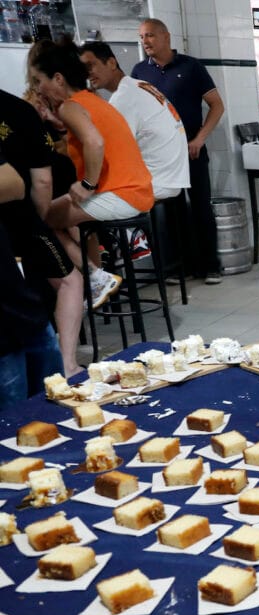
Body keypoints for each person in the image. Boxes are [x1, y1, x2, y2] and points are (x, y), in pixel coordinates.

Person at [30, 42, 154, 376]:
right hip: (138, 190)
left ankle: (95, 276)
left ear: (58, 78)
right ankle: (94, 274)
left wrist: (86, 184)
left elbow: (95, 143)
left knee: (42, 216)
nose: (38, 88)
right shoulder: (90, 101)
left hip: (122, 193)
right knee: (61, 211)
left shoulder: (72, 105)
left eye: (39, 80)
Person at [133, 18, 225, 285]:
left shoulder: (191, 66)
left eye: (149, 35)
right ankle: (178, 267)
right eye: (141, 37)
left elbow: (216, 105)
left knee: (200, 208)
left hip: (193, 151)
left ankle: (210, 266)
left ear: (165, 36)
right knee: (171, 212)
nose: (145, 42)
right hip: (162, 157)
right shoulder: (140, 72)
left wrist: (199, 139)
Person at [0, 87, 82, 376]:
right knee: (70, 281)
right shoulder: (19, 110)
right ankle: (68, 365)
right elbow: (41, 181)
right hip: (20, 218)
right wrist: (42, 217)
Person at [80, 42, 190, 201]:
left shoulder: (124, 97)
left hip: (155, 181)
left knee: (74, 202)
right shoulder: (140, 85)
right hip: (171, 177)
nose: (88, 74)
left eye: (90, 66)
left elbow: (107, 150)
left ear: (111, 63)